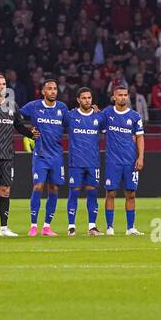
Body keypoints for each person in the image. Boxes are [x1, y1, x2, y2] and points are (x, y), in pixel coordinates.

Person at [0, 73, 37, 238]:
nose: (1, 87)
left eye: (3, 84)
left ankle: (4, 228)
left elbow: (19, 126)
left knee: (5, 191)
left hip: (7, 155)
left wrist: (33, 135)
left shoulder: (12, 106)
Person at [20, 79, 71, 237]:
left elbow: (73, 124)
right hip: (40, 154)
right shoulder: (34, 106)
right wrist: (28, 132)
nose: (53, 91)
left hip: (56, 155)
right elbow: (15, 117)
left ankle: (47, 227)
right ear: (43, 92)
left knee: (54, 188)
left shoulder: (62, 108)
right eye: (50, 89)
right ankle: (33, 226)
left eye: (55, 89)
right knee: (38, 187)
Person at [100, 84, 145, 235]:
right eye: (120, 95)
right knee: (110, 193)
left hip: (130, 161)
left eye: (125, 95)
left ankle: (130, 228)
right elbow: (94, 123)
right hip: (113, 161)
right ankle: (110, 227)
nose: (123, 97)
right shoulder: (107, 113)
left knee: (131, 194)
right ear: (114, 97)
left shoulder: (134, 116)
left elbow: (140, 137)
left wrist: (140, 157)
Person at [66, 87, 103, 236]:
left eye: (89, 98)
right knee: (73, 193)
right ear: (78, 100)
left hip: (93, 162)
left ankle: (92, 227)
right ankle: (71, 227)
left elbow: (113, 130)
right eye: (84, 98)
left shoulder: (99, 117)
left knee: (92, 193)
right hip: (76, 162)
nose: (87, 100)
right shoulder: (70, 116)